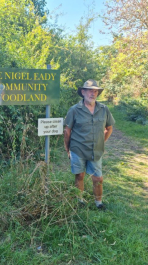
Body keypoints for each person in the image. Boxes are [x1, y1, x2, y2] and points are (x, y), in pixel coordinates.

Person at [64, 79, 115, 210]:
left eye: (95, 91)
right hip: (78, 148)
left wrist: (101, 141)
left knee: (98, 178)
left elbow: (109, 128)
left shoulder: (104, 109)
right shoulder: (74, 110)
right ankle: (79, 199)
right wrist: (67, 148)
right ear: (83, 92)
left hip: (96, 150)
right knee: (79, 175)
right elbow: (67, 130)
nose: (93, 94)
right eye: (90, 91)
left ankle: (98, 203)